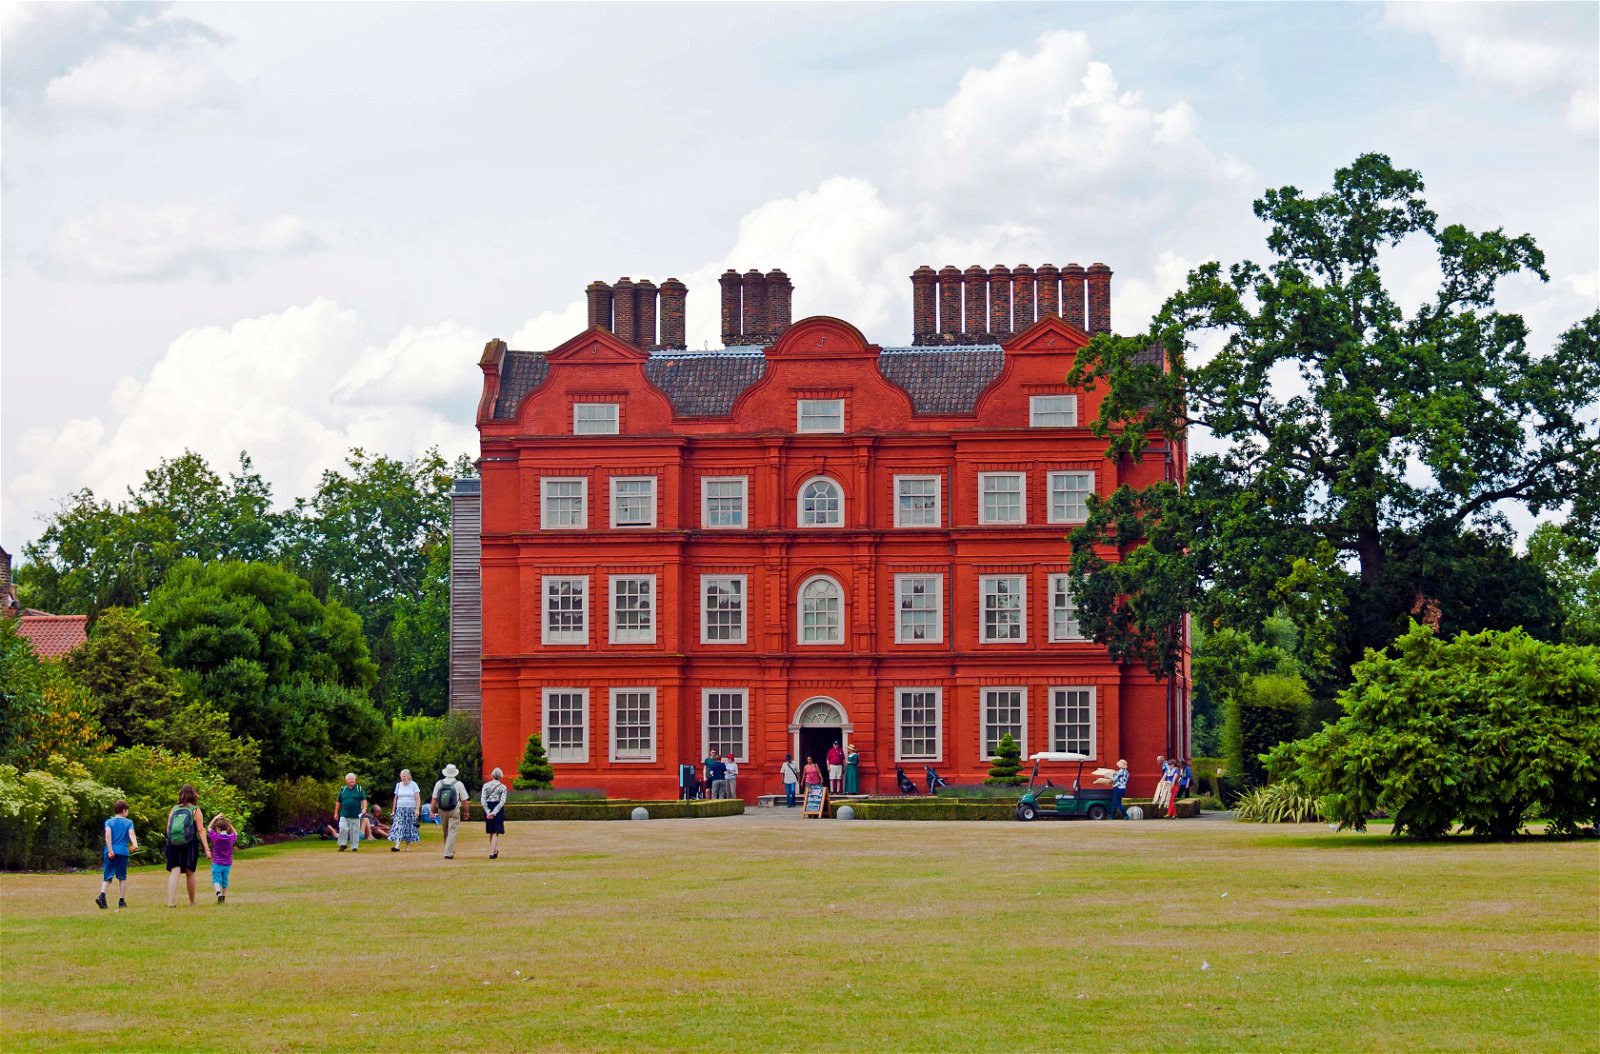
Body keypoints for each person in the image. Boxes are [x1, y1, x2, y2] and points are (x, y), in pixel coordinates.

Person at [165, 783, 211, 908]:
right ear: (193, 795)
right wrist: (207, 848)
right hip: (189, 843)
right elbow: (201, 830)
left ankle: (170, 902)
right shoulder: (195, 810)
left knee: (175, 870)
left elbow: (168, 828)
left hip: (173, 842)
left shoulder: (174, 809)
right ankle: (192, 902)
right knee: (190, 872)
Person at [96, 799, 137, 910]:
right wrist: (134, 844)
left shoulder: (109, 822)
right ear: (124, 810)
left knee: (107, 875)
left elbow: (108, 835)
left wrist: (110, 850)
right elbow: (131, 833)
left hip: (110, 851)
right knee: (122, 877)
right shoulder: (129, 822)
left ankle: (102, 896)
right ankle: (121, 901)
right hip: (123, 851)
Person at [431, 764, 470, 859]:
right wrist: (466, 812)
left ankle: (448, 849)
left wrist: (432, 810)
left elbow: (434, 798)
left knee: (446, 830)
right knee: (452, 831)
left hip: (442, 810)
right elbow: (464, 800)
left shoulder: (439, 783)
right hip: (454, 809)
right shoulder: (459, 784)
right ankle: (448, 852)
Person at [208, 814, 238, 904]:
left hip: (217, 862)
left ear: (217, 829)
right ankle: (223, 897)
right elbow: (235, 833)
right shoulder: (230, 838)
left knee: (216, 879)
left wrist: (215, 818)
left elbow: (209, 828)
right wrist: (229, 824)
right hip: (227, 863)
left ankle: (218, 893)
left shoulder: (216, 837)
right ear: (227, 828)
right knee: (225, 880)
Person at [334, 773, 367, 852]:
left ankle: (354, 847)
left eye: (353, 779)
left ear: (355, 780)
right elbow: (338, 802)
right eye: (350, 779)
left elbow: (364, 799)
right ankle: (343, 844)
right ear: (346, 781)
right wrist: (335, 813)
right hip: (344, 814)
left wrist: (364, 808)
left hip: (355, 815)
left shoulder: (359, 789)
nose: (352, 780)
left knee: (355, 831)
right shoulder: (343, 789)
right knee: (342, 828)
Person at [391, 769, 422, 852]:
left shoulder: (414, 785)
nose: (403, 778)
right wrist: (393, 810)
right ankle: (397, 846)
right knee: (399, 826)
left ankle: (408, 846)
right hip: (400, 809)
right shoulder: (398, 785)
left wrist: (417, 809)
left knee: (409, 827)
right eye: (401, 776)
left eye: (404, 776)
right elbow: (395, 798)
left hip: (410, 809)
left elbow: (417, 798)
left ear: (409, 776)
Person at [481, 767, 508, 859]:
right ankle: (492, 853)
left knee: (491, 831)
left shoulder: (486, 786)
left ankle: (494, 850)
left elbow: (483, 800)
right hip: (498, 809)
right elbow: (502, 801)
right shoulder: (502, 787)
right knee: (496, 832)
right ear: (501, 776)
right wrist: (494, 812)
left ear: (492, 775)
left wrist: (488, 811)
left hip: (488, 806)